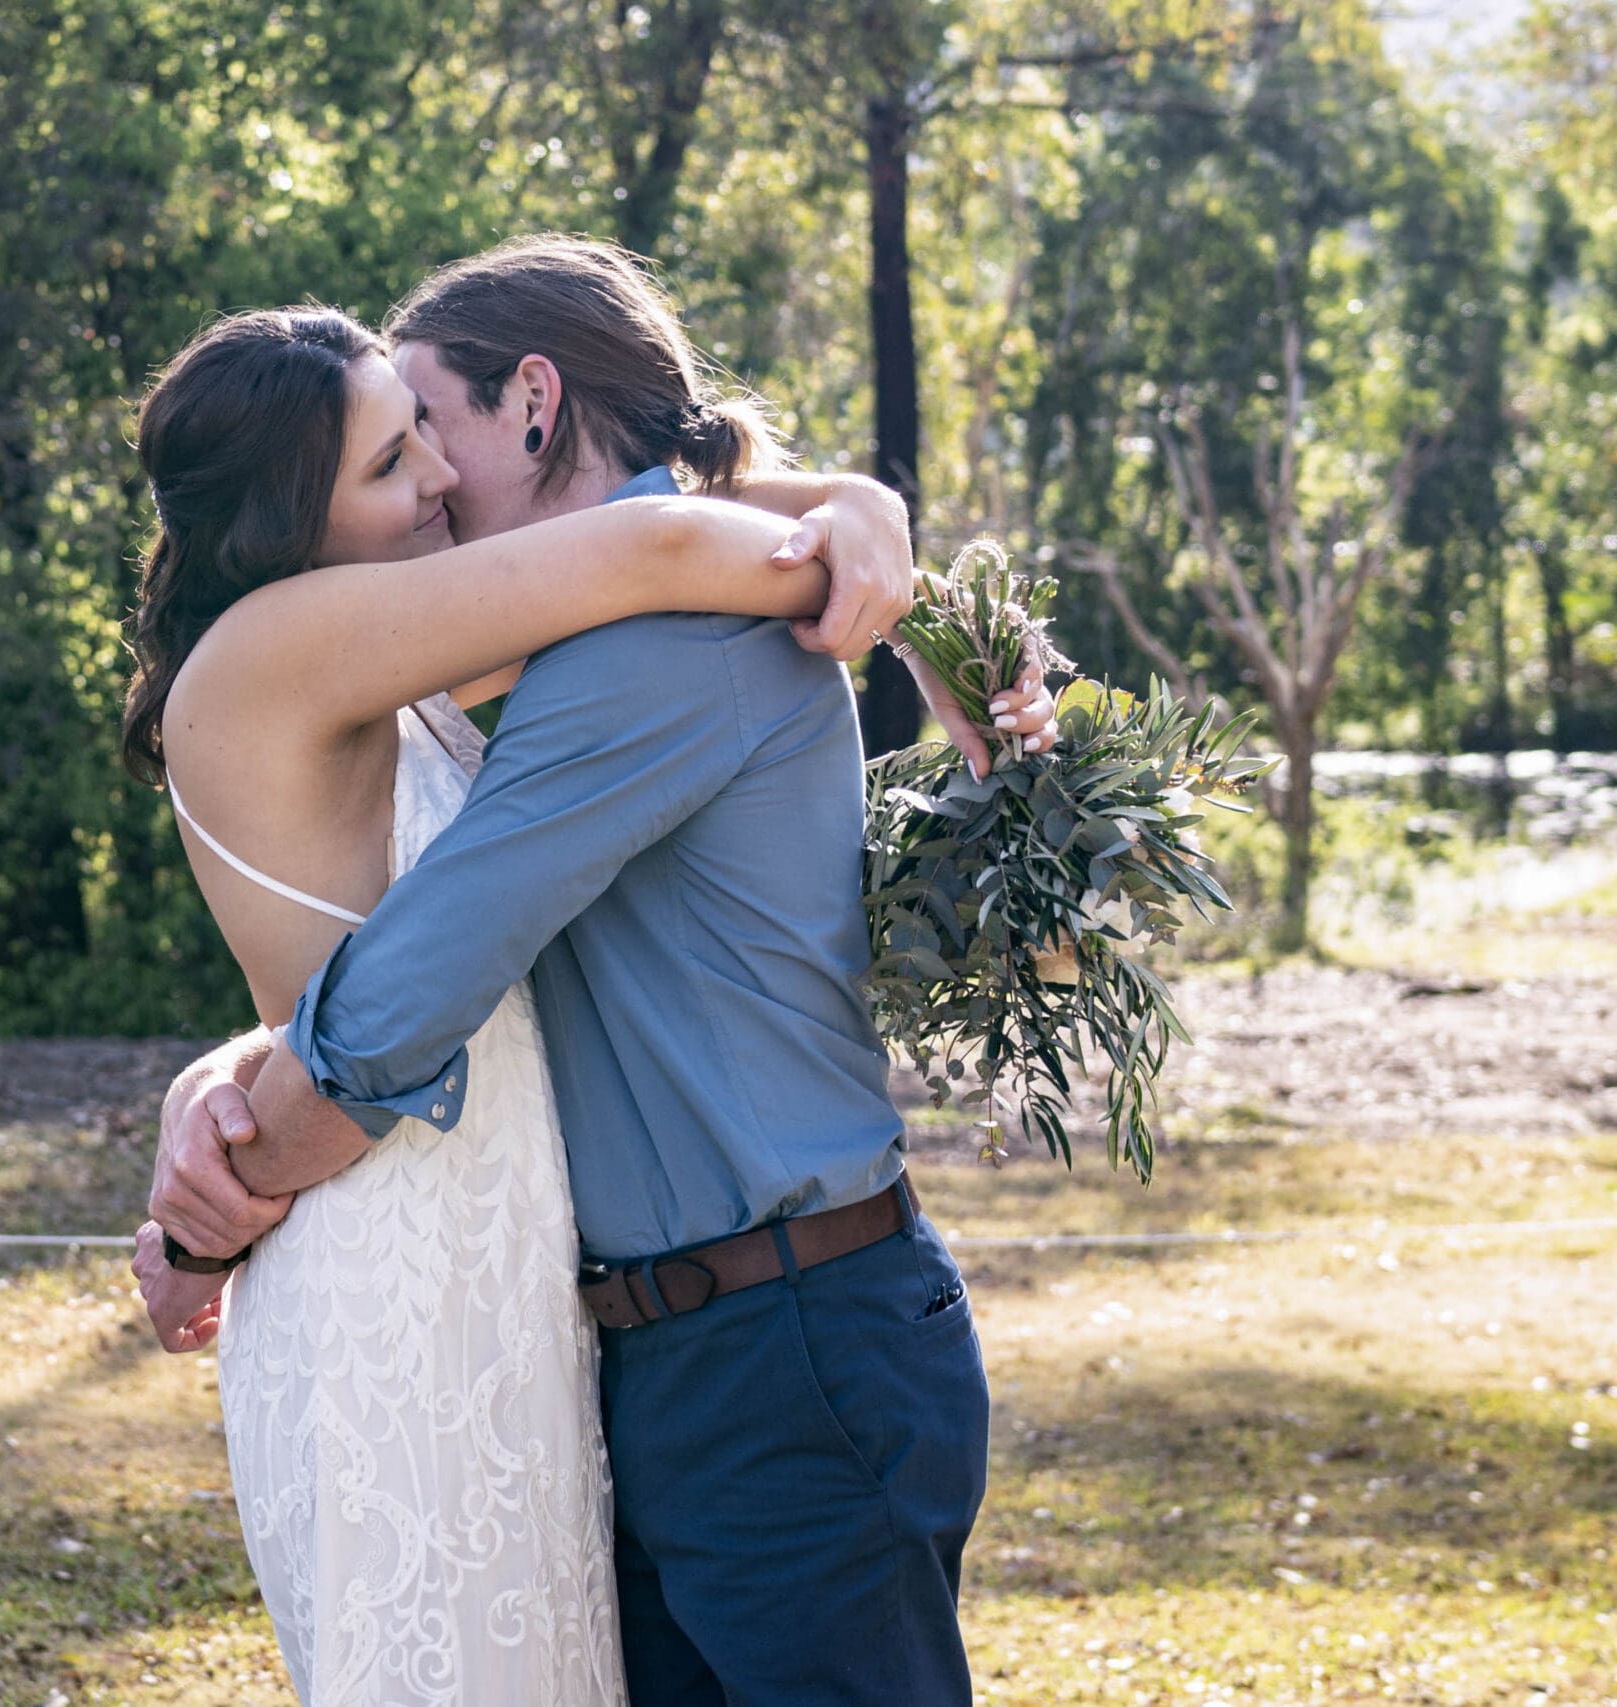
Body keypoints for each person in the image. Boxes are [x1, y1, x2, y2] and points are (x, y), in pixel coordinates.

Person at [143, 238, 1046, 1706]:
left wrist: (224, 1187)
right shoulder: (414, 648)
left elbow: (415, 977)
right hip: (574, 1316)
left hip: (756, 1338)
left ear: (538, 404)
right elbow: (643, 543)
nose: (433, 480)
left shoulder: (622, 651)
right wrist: (859, 523)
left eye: (432, 427)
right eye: (396, 454)